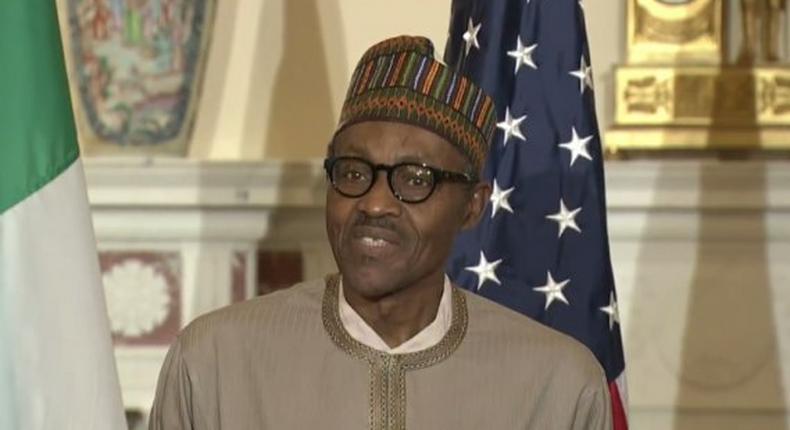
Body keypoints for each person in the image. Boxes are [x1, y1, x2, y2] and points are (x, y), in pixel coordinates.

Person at [149, 35, 612, 430]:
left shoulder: (560, 385)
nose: (373, 203)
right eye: (353, 172)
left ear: (472, 205)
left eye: (414, 179)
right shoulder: (214, 362)